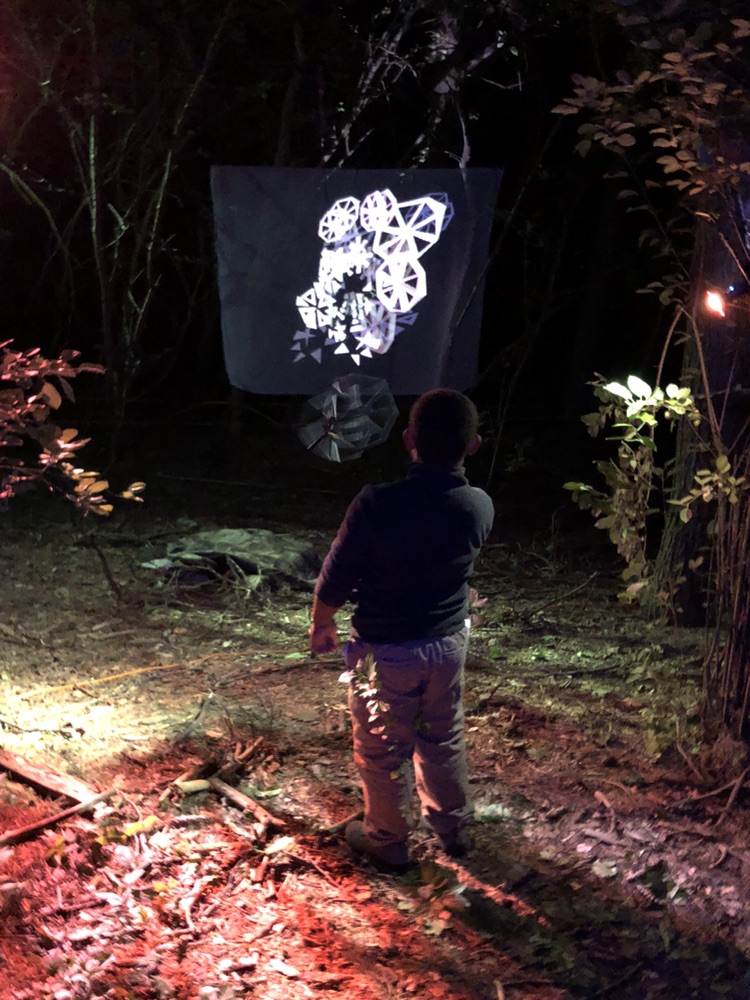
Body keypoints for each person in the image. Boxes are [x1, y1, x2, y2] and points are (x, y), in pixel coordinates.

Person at [309, 388, 494, 873]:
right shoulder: (478, 506)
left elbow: (336, 574)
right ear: (473, 445)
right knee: (442, 736)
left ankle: (388, 840)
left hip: (382, 652)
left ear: (409, 439)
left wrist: (322, 622)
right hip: (447, 646)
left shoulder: (377, 503)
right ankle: (453, 829)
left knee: (381, 747)